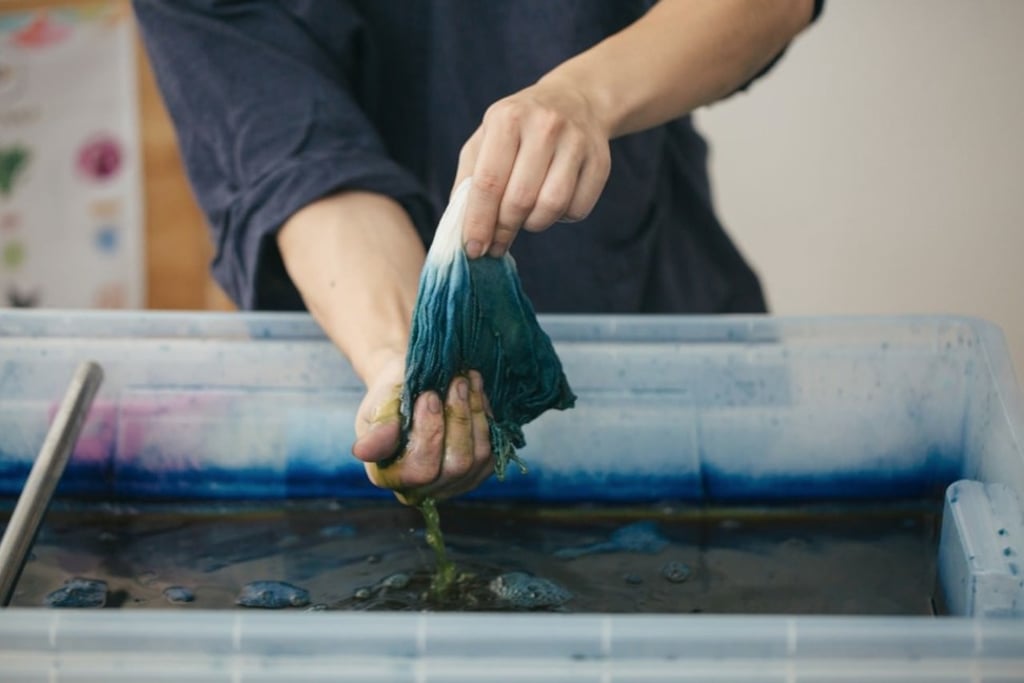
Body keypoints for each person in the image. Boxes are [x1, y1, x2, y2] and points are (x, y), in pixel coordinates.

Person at [133, 0, 822, 504]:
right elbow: (298, 163)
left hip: (670, 372)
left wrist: (584, 95)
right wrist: (402, 365)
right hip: (335, 394)